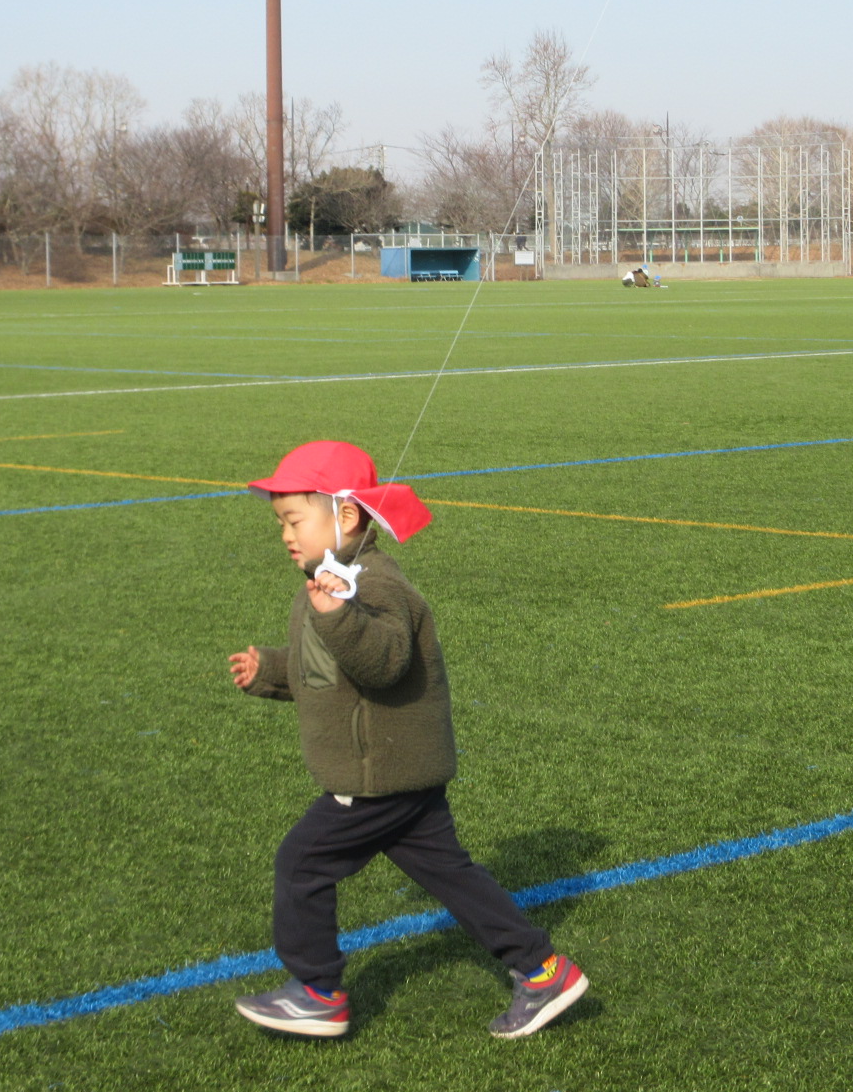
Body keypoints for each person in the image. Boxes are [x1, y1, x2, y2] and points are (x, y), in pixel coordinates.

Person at [227, 441, 588, 1041]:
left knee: (301, 863)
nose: (285, 534)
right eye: (281, 522)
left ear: (344, 516)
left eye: (294, 519)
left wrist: (339, 613)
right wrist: (269, 669)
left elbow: (383, 661)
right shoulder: (331, 583)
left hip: (377, 773)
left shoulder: (374, 585)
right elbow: (328, 670)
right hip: (405, 772)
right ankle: (543, 970)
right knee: (453, 877)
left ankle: (316, 991)